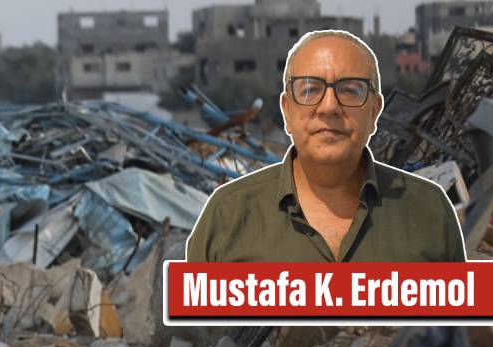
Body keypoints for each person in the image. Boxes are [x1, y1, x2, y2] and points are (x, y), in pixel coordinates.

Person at [186, 30, 466, 263]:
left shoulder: (429, 212)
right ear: (287, 110)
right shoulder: (228, 216)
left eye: (350, 90)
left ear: (374, 111)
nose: (329, 107)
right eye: (309, 90)